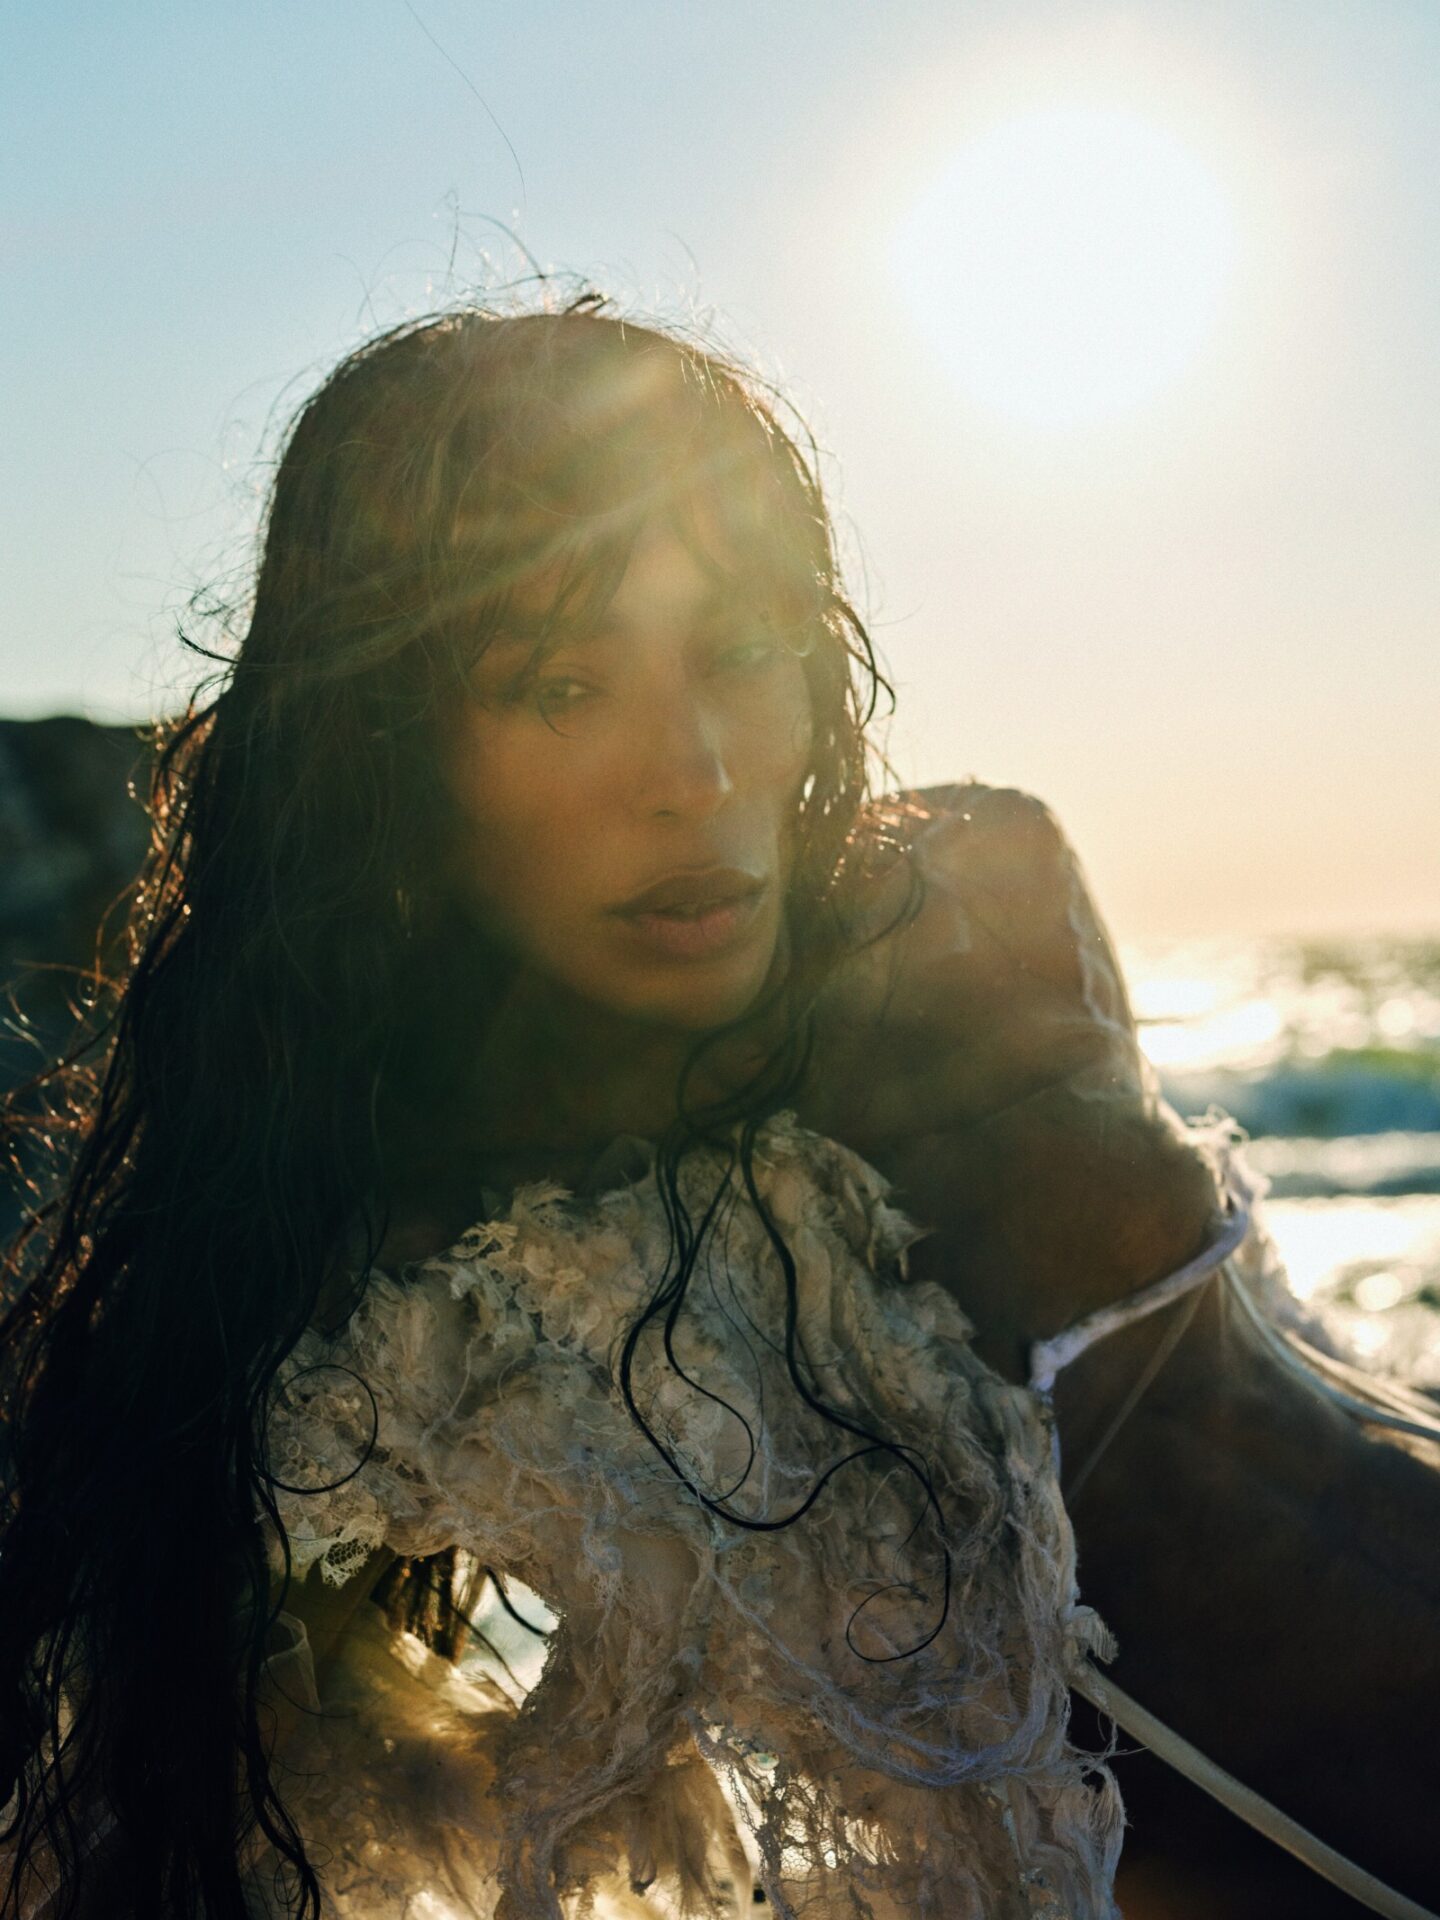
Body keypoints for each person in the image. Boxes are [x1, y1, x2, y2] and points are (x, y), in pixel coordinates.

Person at [0, 301, 1227, 1920]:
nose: (693, 773)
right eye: (565, 681)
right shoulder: (364, 1241)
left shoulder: (977, 911)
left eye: (742, 652)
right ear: (388, 748)